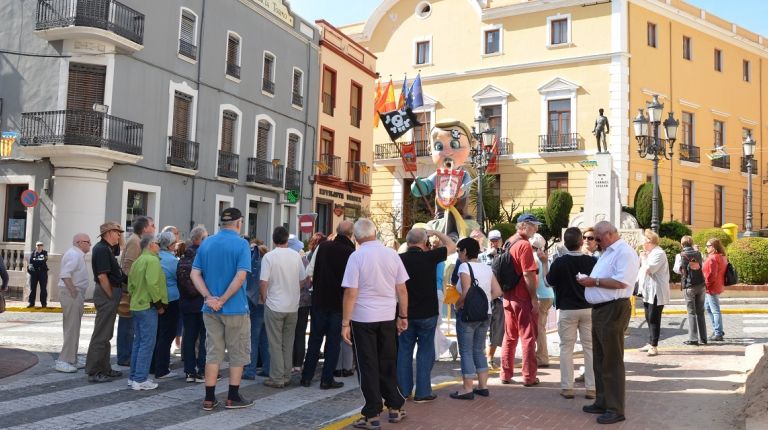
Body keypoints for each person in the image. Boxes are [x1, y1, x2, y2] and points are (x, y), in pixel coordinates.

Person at [341, 218, 409, 430]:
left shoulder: (356, 256)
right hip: (387, 315)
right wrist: (403, 315)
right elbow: (402, 290)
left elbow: (351, 292)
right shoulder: (392, 254)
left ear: (356, 236)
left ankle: (372, 413)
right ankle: (395, 407)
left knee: (367, 365)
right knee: (388, 361)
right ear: (375, 232)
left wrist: (345, 322)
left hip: (363, 318)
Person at [576, 221, 639, 425]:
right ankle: (603, 401)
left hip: (613, 308)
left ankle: (615, 408)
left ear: (610, 234)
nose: (596, 241)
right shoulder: (609, 251)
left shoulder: (624, 253)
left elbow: (622, 282)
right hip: (602, 309)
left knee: (612, 360)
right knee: (600, 358)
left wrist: (593, 282)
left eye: (599, 237)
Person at [191, 207, 254, 410]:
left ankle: (209, 398)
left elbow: (195, 274)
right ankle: (232, 396)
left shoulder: (207, 242)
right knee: (237, 353)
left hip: (210, 309)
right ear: (239, 223)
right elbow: (241, 276)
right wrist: (224, 299)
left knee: (212, 352)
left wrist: (210, 298)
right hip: (235, 308)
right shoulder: (242, 244)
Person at [397, 228, 455, 402]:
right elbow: (452, 245)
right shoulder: (430, 257)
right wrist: (436, 232)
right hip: (427, 312)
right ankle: (423, 392)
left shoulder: (399, 259)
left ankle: (403, 391)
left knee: (404, 351)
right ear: (424, 242)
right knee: (425, 350)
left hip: (405, 313)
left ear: (407, 242)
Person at [301, 222, 354, 389]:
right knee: (333, 342)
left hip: (319, 299)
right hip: (338, 302)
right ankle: (326, 379)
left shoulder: (323, 247)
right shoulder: (351, 252)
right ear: (351, 234)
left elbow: (310, 271)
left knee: (315, 339)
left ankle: (306, 377)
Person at [546, 227, 597, 400]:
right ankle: (592, 387)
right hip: (588, 307)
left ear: (565, 244)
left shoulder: (560, 262)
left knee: (566, 348)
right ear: (581, 242)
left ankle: (567, 387)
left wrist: (545, 262)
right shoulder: (591, 262)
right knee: (589, 347)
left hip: (567, 308)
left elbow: (548, 282)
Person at [450, 237, 502, 400]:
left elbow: (465, 291)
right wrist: (484, 301)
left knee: (466, 350)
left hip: (468, 314)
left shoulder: (464, 266)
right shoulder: (486, 268)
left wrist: (457, 305)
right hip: (484, 313)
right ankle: (483, 386)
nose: (458, 254)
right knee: (479, 349)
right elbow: (498, 292)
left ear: (465, 251)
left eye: (459, 251)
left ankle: (467, 388)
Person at [260, 226, 307, 388]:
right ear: (287, 239)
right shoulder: (296, 256)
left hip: (274, 304)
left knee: (274, 343)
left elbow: (263, 282)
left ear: (273, 239)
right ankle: (286, 375)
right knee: (288, 342)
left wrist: (264, 298)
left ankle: (277, 377)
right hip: (292, 306)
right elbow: (303, 281)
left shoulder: (269, 257)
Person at [500, 213, 540, 387]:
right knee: (528, 336)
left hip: (508, 295)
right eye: (533, 225)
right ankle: (529, 376)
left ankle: (505, 373)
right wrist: (534, 298)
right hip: (522, 296)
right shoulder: (524, 245)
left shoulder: (509, 241)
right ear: (524, 226)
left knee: (509, 336)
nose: (536, 229)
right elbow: (528, 273)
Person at [86, 222, 127, 383]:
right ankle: (94, 371)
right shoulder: (102, 249)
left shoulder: (107, 248)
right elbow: (103, 276)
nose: (119, 236)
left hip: (111, 291)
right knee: (101, 334)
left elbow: (121, 247)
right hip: (107, 292)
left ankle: (104, 368)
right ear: (109, 233)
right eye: (118, 233)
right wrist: (110, 295)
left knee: (106, 333)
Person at [127, 235, 167, 391]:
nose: (159, 247)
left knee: (138, 342)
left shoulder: (138, 261)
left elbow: (130, 285)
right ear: (151, 245)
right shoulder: (152, 260)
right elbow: (153, 284)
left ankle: (133, 377)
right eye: (157, 244)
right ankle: (140, 379)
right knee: (147, 343)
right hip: (147, 306)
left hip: (136, 304)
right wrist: (159, 304)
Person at [119, 216, 156, 366]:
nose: (154, 228)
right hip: (130, 290)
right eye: (152, 226)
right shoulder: (135, 241)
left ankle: (126, 354)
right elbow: (128, 266)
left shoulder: (137, 240)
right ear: (145, 228)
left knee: (130, 325)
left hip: (133, 289)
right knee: (127, 325)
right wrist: (135, 286)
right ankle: (124, 356)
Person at [55, 233, 91, 373]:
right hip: (71, 293)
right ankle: (64, 360)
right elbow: (65, 274)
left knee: (73, 327)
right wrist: (73, 290)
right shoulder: (74, 255)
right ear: (79, 242)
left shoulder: (76, 254)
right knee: (71, 327)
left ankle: (72, 358)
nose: (90, 244)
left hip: (73, 292)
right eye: (87, 242)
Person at [178, 226, 208, 382]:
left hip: (186, 303)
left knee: (189, 337)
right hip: (202, 302)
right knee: (204, 338)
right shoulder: (204, 256)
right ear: (201, 239)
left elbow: (180, 281)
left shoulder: (183, 256)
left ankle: (189, 371)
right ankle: (202, 370)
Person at [152, 231, 181, 379]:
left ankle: (152, 365)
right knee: (167, 333)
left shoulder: (155, 257)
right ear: (170, 245)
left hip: (156, 299)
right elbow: (179, 279)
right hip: (171, 298)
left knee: (157, 332)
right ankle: (162, 368)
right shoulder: (173, 261)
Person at [636, 229, 670, 357]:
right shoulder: (650, 253)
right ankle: (650, 342)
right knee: (648, 317)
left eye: (644, 240)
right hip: (647, 291)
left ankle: (654, 346)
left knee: (654, 318)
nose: (642, 243)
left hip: (656, 292)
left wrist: (644, 259)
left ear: (650, 241)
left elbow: (649, 269)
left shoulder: (658, 253)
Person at [243, 236, 271, 381]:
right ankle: (267, 368)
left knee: (253, 338)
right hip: (267, 304)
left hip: (256, 304)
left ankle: (250, 370)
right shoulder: (268, 263)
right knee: (265, 339)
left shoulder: (255, 265)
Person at [673, 235, 707, 345]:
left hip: (689, 286)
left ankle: (693, 339)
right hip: (701, 285)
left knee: (691, 313)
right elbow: (702, 265)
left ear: (682, 244)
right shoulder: (698, 253)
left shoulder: (680, 255)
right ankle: (704, 338)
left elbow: (676, 270)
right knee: (700, 312)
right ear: (691, 243)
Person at [530, 233, 554, 368]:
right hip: (548, 294)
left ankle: (542, 357)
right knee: (541, 327)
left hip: (540, 295)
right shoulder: (543, 258)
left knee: (539, 328)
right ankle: (541, 355)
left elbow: (533, 279)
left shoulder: (533, 258)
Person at [288, 234, 311, 373]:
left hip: (289, 301)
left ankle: (289, 363)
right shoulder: (303, 261)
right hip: (304, 301)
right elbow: (308, 281)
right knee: (300, 333)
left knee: (289, 333)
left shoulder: (283, 259)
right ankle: (298, 363)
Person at [483, 229, 505, 368]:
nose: (494, 243)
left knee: (497, 329)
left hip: (500, 298)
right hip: (484, 298)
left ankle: (490, 357)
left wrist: (498, 258)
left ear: (501, 241)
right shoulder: (481, 256)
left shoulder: (505, 256)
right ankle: (481, 357)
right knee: (482, 328)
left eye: (496, 240)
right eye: (491, 240)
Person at [703, 238, 728, 342]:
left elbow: (712, 275)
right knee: (708, 307)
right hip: (717, 285)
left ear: (713, 247)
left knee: (715, 310)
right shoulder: (721, 257)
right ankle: (718, 330)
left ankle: (718, 333)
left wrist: (706, 285)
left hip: (711, 286)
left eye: (708, 246)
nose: (706, 248)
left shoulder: (713, 258)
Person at [27, 241, 49, 308]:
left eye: (41, 245)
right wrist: (32, 272)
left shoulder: (45, 253)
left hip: (43, 272)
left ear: (43, 246)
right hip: (34, 273)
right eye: (38, 245)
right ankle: (31, 303)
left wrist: (36, 260)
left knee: (43, 289)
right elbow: (30, 263)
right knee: (32, 288)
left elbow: (44, 260)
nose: (39, 246)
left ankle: (44, 304)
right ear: (36, 246)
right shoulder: (33, 253)